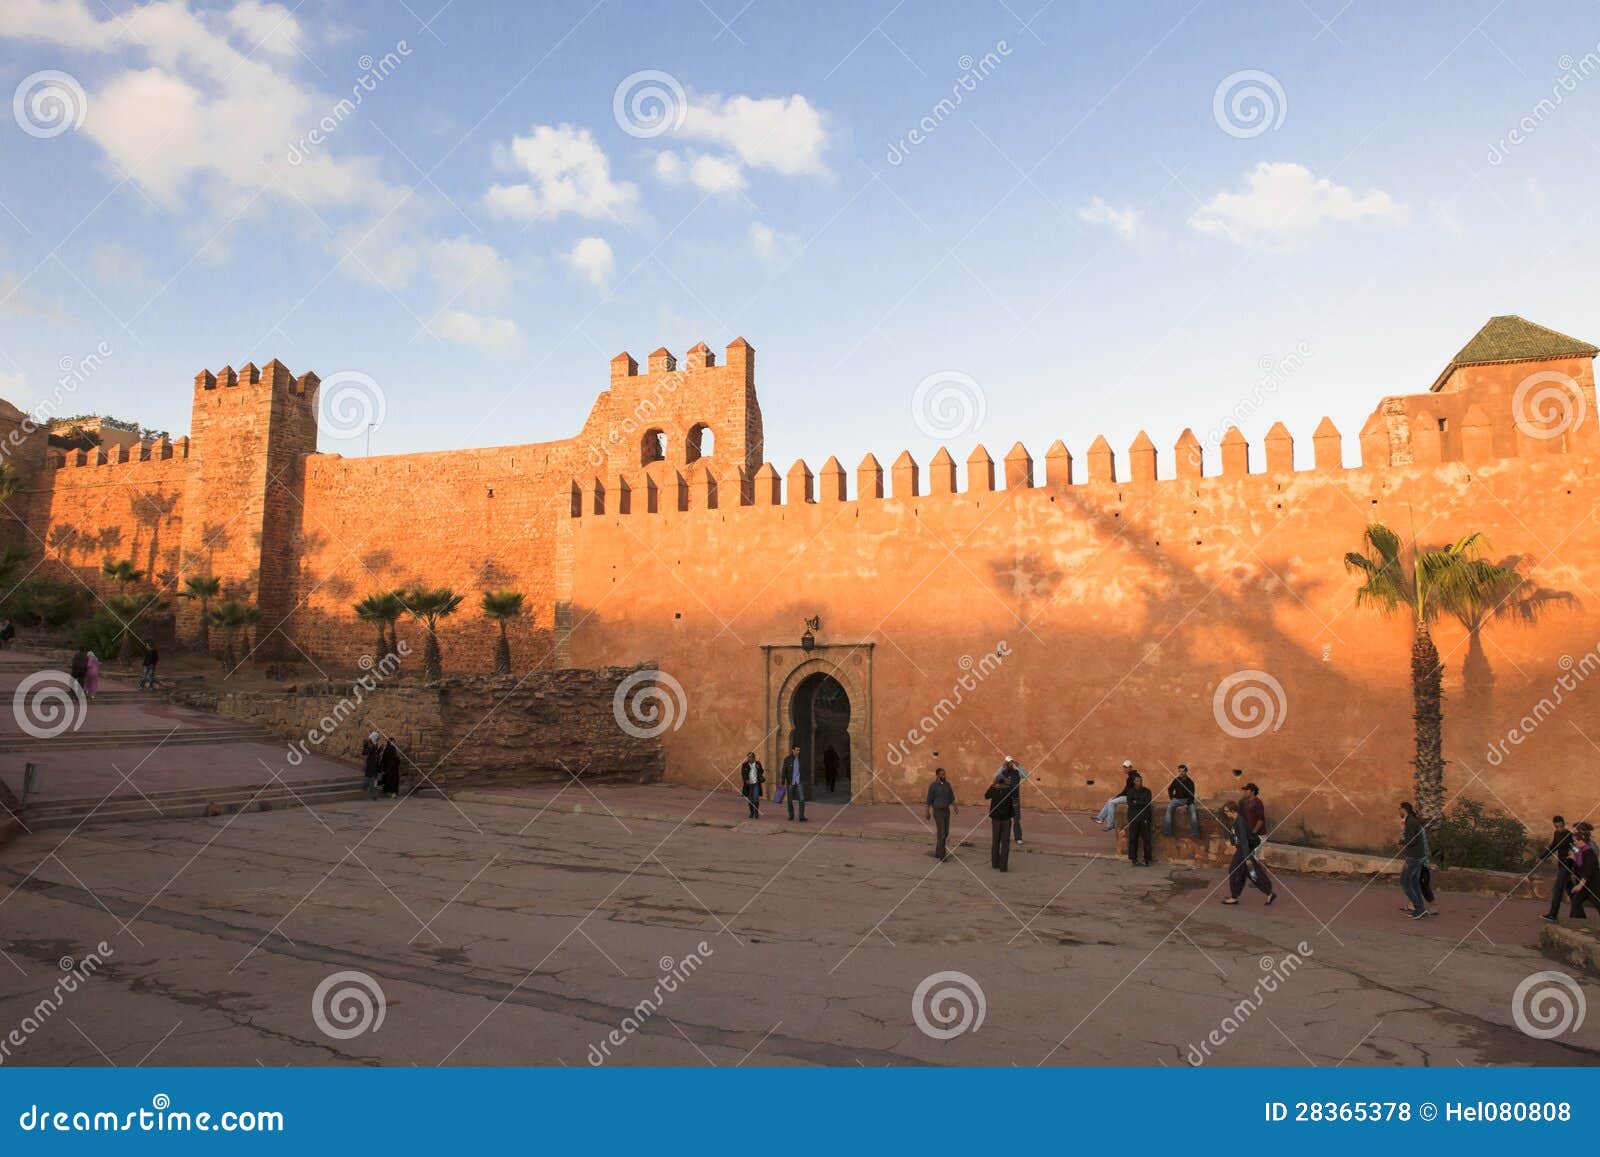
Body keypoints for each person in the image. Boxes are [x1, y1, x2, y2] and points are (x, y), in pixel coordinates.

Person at [1221, 795, 1276, 905]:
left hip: (1243, 851)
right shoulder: (1236, 820)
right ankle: (1269, 892)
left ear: (1233, 811)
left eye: (1226, 811)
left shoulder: (1240, 822)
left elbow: (1244, 841)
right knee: (1251, 873)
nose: (1225, 813)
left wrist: (1246, 857)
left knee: (1234, 870)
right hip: (1243, 850)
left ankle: (1234, 897)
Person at [1397, 802, 1433, 918]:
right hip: (1417, 856)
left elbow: (1411, 841)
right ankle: (1421, 909)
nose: (1399, 812)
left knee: (1404, 882)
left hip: (1413, 857)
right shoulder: (1411, 821)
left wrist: (1400, 842)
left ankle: (1419, 908)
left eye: (1400, 809)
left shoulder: (1411, 822)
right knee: (1415, 883)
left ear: (1404, 810)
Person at [984, 770, 1016, 872]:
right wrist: (1006, 781)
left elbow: (986, 795)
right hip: (1006, 819)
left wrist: (993, 784)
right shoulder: (1008, 790)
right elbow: (1014, 790)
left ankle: (995, 863)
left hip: (996, 819)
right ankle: (1003, 866)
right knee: (1005, 843)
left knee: (996, 842)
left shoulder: (995, 790)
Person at [925, 766, 958, 860]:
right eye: (942, 774)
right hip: (937, 811)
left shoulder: (947, 785)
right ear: (937, 775)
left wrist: (955, 807)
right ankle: (942, 855)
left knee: (945, 832)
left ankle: (937, 852)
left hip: (946, 811)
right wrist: (927, 812)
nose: (944, 776)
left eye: (944, 774)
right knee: (942, 832)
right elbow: (929, 800)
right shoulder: (933, 786)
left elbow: (951, 797)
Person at [1095, 760, 1137, 829]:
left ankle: (1110, 824)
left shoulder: (1132, 777)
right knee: (1110, 800)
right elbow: (1127, 790)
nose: (1125, 769)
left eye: (1126, 767)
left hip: (1130, 798)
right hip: (1128, 796)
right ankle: (1100, 818)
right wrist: (1117, 796)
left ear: (1130, 767)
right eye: (1124, 767)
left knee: (1111, 802)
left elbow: (1127, 791)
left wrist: (1117, 796)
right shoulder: (1131, 776)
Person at [1569, 823, 1599, 918]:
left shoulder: (1590, 851)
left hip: (1593, 884)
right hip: (1585, 883)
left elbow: (1588, 871)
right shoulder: (1581, 849)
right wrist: (1574, 858)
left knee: (1598, 904)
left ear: (1580, 839)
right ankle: (1578, 924)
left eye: (1575, 841)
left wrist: (1580, 885)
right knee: (1575, 900)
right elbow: (1580, 860)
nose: (1574, 843)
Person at [1125, 771, 1154, 866]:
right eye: (1137, 781)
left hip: (1144, 818)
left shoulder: (1147, 791)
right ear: (1134, 782)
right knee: (1133, 838)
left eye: (1141, 781)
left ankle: (1147, 859)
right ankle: (1134, 859)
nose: (1140, 782)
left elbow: (1146, 804)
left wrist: (1136, 802)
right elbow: (1130, 804)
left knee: (1146, 839)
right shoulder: (1130, 792)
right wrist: (1139, 802)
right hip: (1133, 818)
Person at [1164, 764, 1200, 838]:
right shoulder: (1176, 780)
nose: (1181, 773)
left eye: (1183, 771)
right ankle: (1168, 831)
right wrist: (1172, 798)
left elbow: (1191, 796)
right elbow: (1170, 789)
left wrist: (1186, 805)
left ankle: (1195, 832)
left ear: (1186, 772)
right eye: (1179, 771)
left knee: (1193, 813)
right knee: (1169, 809)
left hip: (1187, 800)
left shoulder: (1190, 782)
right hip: (1177, 800)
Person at [999, 756, 1027, 845]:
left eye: (1011, 762)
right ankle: (1004, 838)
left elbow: (1025, 775)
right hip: (1005, 799)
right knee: (1005, 820)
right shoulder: (1003, 772)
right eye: (1008, 762)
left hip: (1015, 799)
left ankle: (1018, 838)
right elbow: (996, 776)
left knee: (1016, 819)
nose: (1010, 764)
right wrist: (1002, 767)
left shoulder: (1016, 772)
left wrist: (1019, 765)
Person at [781, 744, 806, 822]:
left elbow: (804, 769)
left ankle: (801, 816)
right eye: (797, 750)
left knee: (801, 799)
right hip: (790, 782)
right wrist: (783, 780)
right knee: (790, 800)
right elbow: (784, 770)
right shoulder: (787, 759)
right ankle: (791, 815)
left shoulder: (801, 759)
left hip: (799, 781)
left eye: (799, 750)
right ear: (793, 750)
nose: (798, 751)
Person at [738, 751, 764, 818]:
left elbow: (762, 771)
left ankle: (756, 813)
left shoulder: (757, 763)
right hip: (749, 785)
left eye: (751, 757)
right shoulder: (745, 765)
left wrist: (759, 768)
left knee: (756, 799)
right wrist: (746, 780)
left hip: (756, 784)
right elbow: (743, 774)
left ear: (754, 758)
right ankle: (751, 812)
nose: (750, 759)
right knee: (750, 800)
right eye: (748, 757)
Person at [361, 731, 383, 801]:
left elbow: (375, 754)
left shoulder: (374, 744)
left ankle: (364, 787)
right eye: (377, 738)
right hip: (370, 765)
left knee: (368, 778)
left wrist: (380, 750)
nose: (378, 739)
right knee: (371, 780)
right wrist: (365, 764)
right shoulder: (370, 745)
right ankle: (374, 796)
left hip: (374, 765)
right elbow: (366, 755)